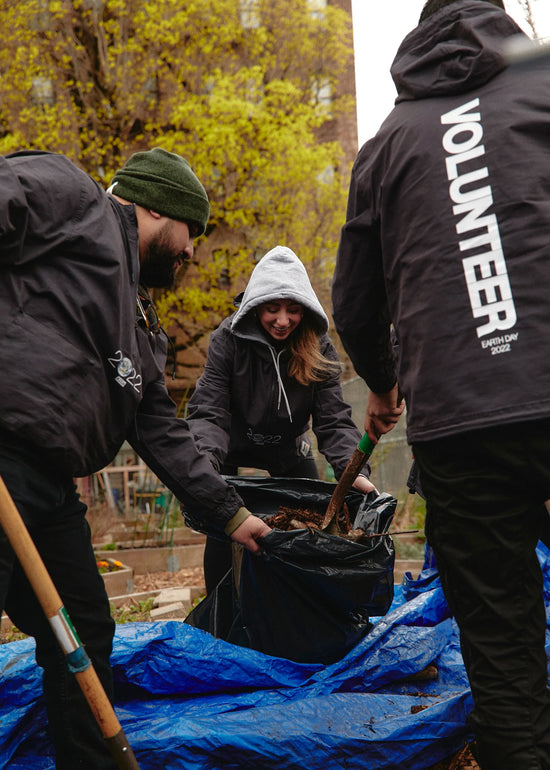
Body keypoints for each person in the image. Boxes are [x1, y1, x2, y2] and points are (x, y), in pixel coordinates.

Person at [0, 147, 270, 769]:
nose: (192, 251)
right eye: (191, 231)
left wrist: (232, 516)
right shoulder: (73, 198)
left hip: (51, 488)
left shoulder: (139, 323)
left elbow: (160, 431)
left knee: (83, 627)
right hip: (4, 452)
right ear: (155, 207)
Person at [332, 1, 550, 768]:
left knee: (503, 644)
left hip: (461, 424)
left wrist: (383, 383)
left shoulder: (388, 144)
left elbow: (355, 303)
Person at [186, 245, 376, 592]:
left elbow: (333, 419)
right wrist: (205, 468)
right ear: (256, 306)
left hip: (288, 447)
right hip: (230, 443)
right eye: (272, 309)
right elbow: (209, 412)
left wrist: (355, 474)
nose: (283, 320)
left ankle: (299, 597)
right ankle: (221, 602)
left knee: (311, 521)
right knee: (223, 519)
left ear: (306, 309)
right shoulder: (227, 340)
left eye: (293, 310)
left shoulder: (319, 346)